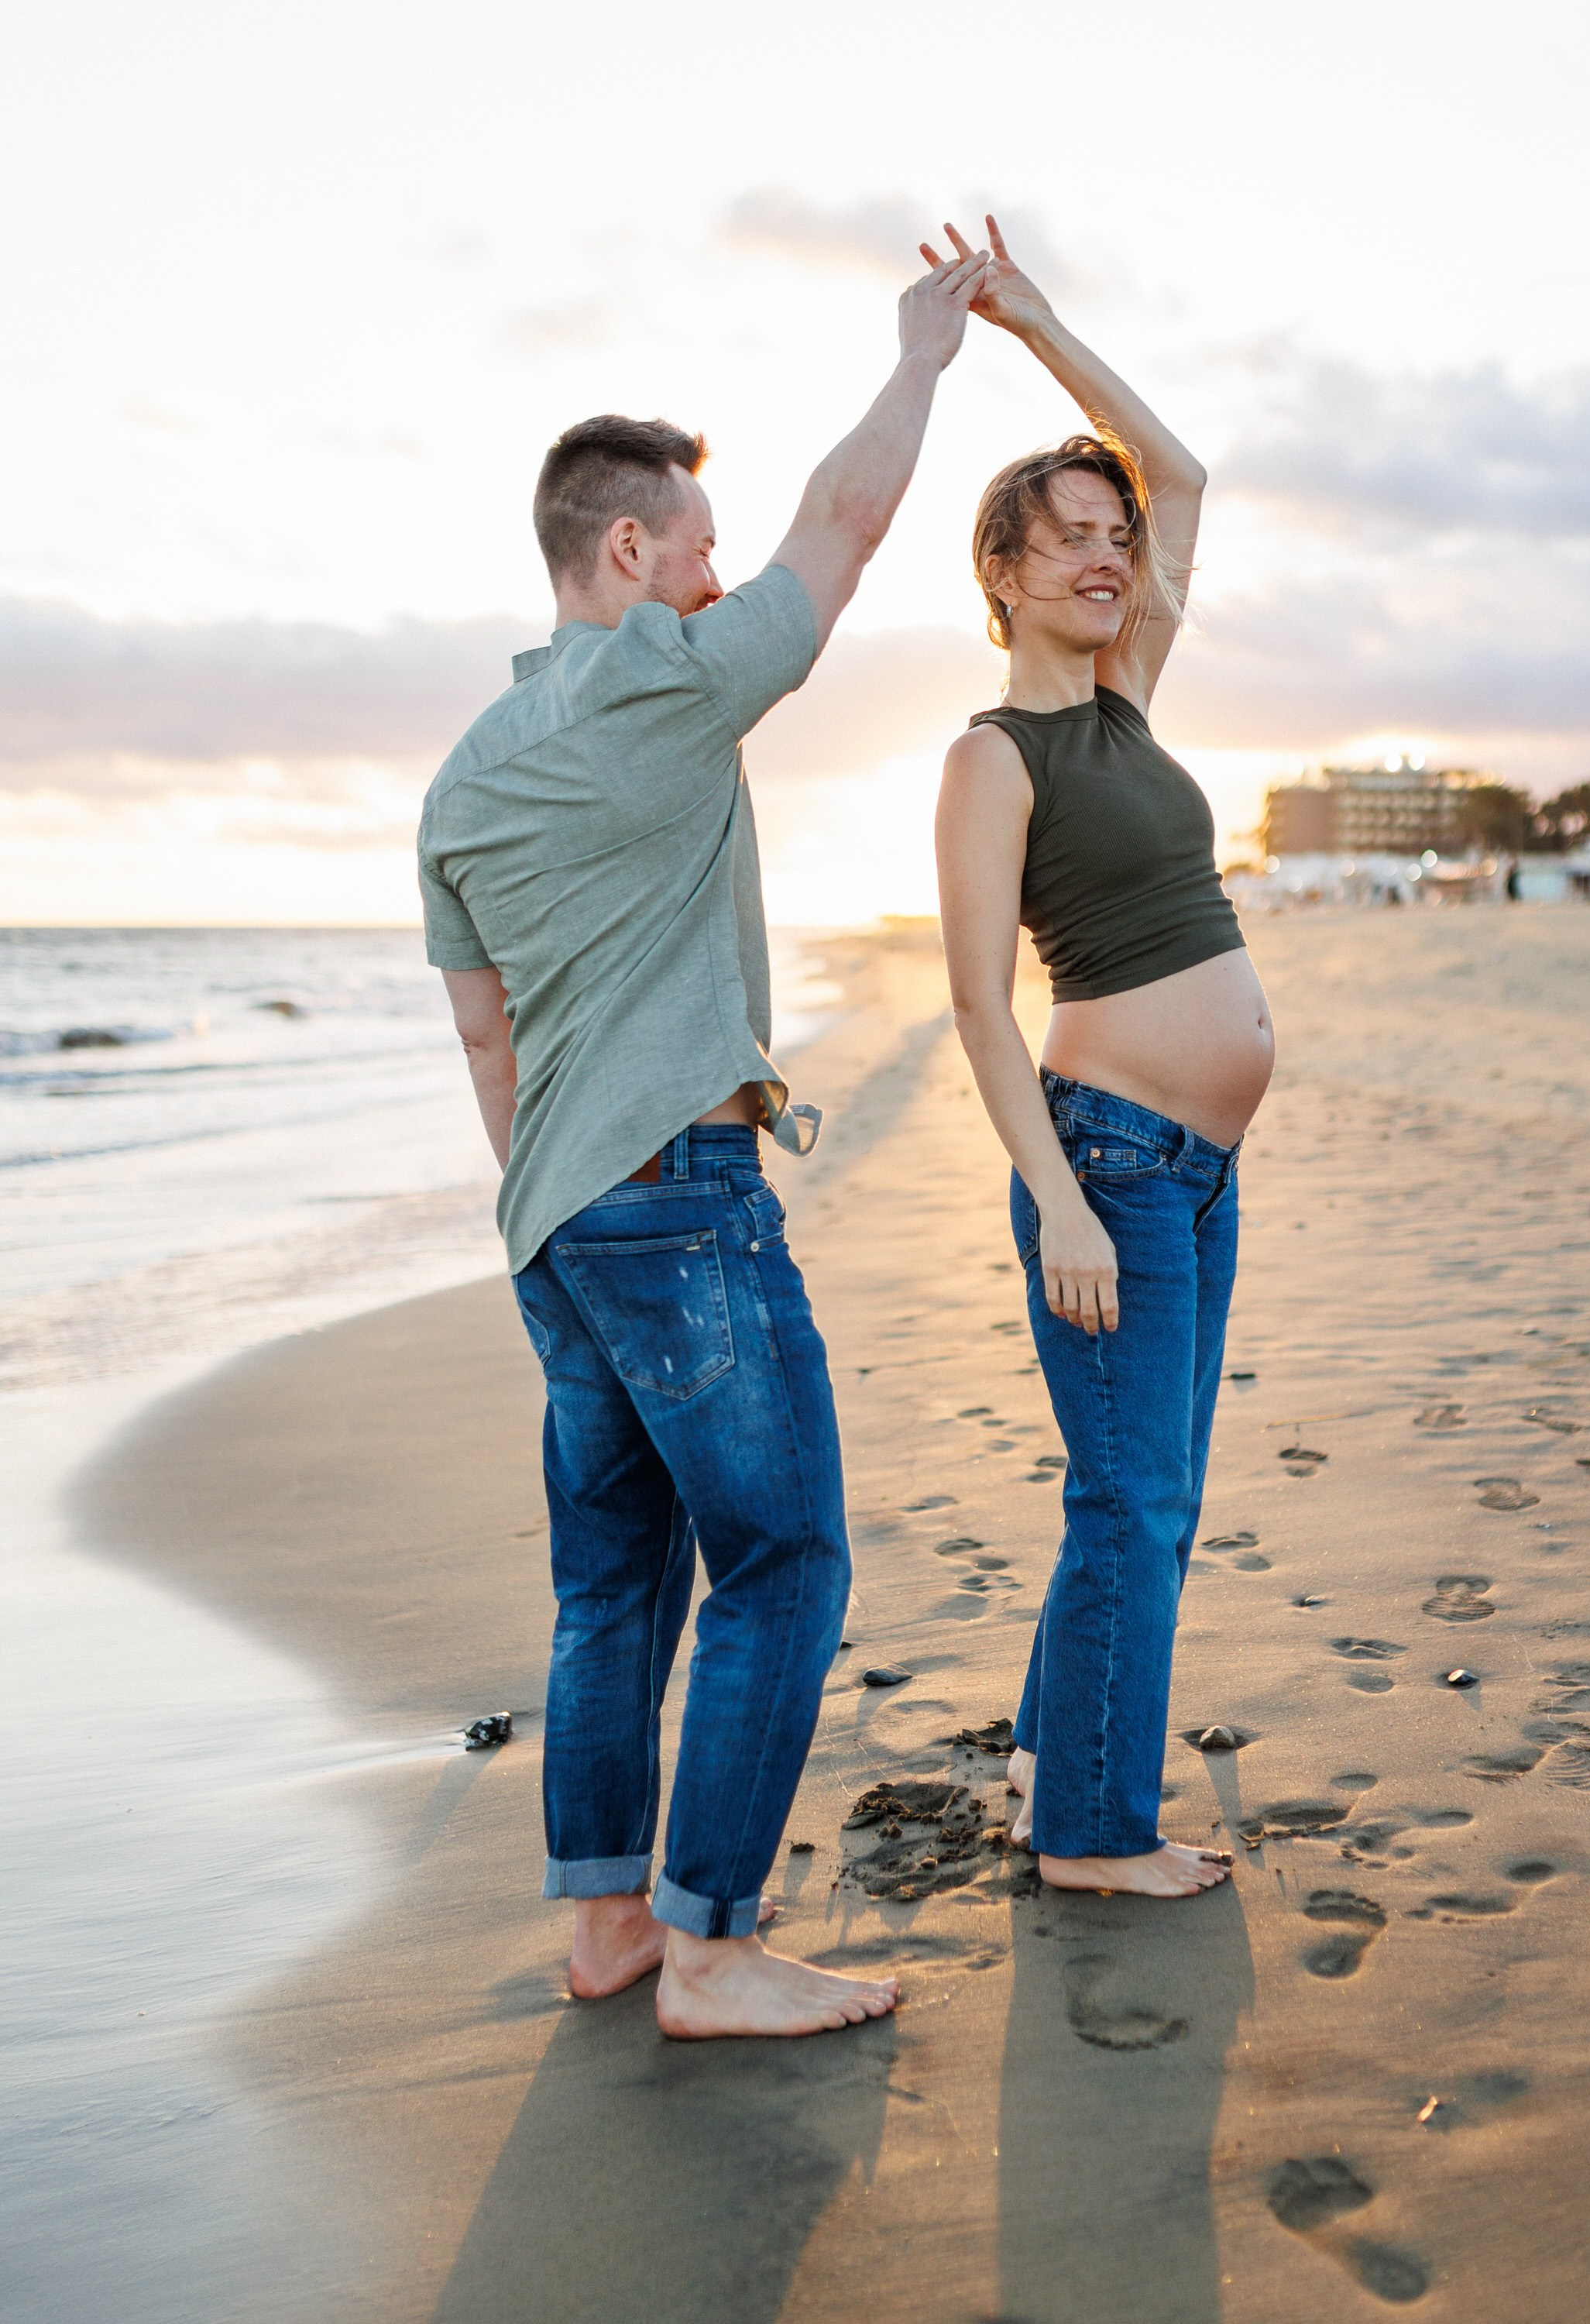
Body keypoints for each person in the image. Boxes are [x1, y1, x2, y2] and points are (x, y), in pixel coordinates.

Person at [420, 247, 991, 2037]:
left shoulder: (461, 775)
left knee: (614, 1586)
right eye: (696, 547)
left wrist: (552, 1208)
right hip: (675, 1189)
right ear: (626, 558)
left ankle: (608, 1929)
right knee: (783, 1560)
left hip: (556, 1222)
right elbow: (846, 520)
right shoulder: (659, 684)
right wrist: (921, 354)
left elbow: (487, 1035)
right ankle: (720, 1951)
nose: (719, 573)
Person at [932, 219, 1276, 1899]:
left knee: (1142, 1496)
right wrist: (1057, 1198)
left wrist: (1041, 324)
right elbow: (984, 1011)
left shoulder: (1127, 699)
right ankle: (1089, 1834)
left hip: (1196, 1176)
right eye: (1064, 538)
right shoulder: (994, 756)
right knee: (1134, 1507)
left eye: (1110, 539)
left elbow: (1185, 474)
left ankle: (1041, 1746)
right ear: (999, 573)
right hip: (1111, 1169)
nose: (1105, 556)